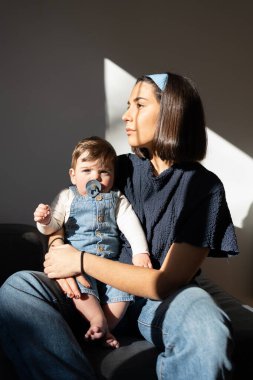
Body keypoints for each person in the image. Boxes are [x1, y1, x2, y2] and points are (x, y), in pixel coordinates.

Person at [0, 72, 239, 380]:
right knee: (17, 288)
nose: (126, 115)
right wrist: (61, 250)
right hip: (91, 293)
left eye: (139, 105)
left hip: (156, 302)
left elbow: (164, 283)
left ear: (172, 112)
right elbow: (68, 211)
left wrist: (81, 260)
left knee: (204, 319)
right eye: (128, 105)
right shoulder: (117, 168)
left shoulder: (204, 189)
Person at [33, 136, 152, 348]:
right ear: (73, 176)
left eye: (104, 172)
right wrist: (44, 221)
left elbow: (131, 225)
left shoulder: (117, 199)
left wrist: (140, 252)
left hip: (110, 265)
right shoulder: (66, 197)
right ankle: (97, 321)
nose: (95, 177)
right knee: (79, 289)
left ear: (113, 176)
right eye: (87, 171)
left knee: (123, 290)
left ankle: (105, 328)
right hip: (77, 266)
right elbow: (53, 226)